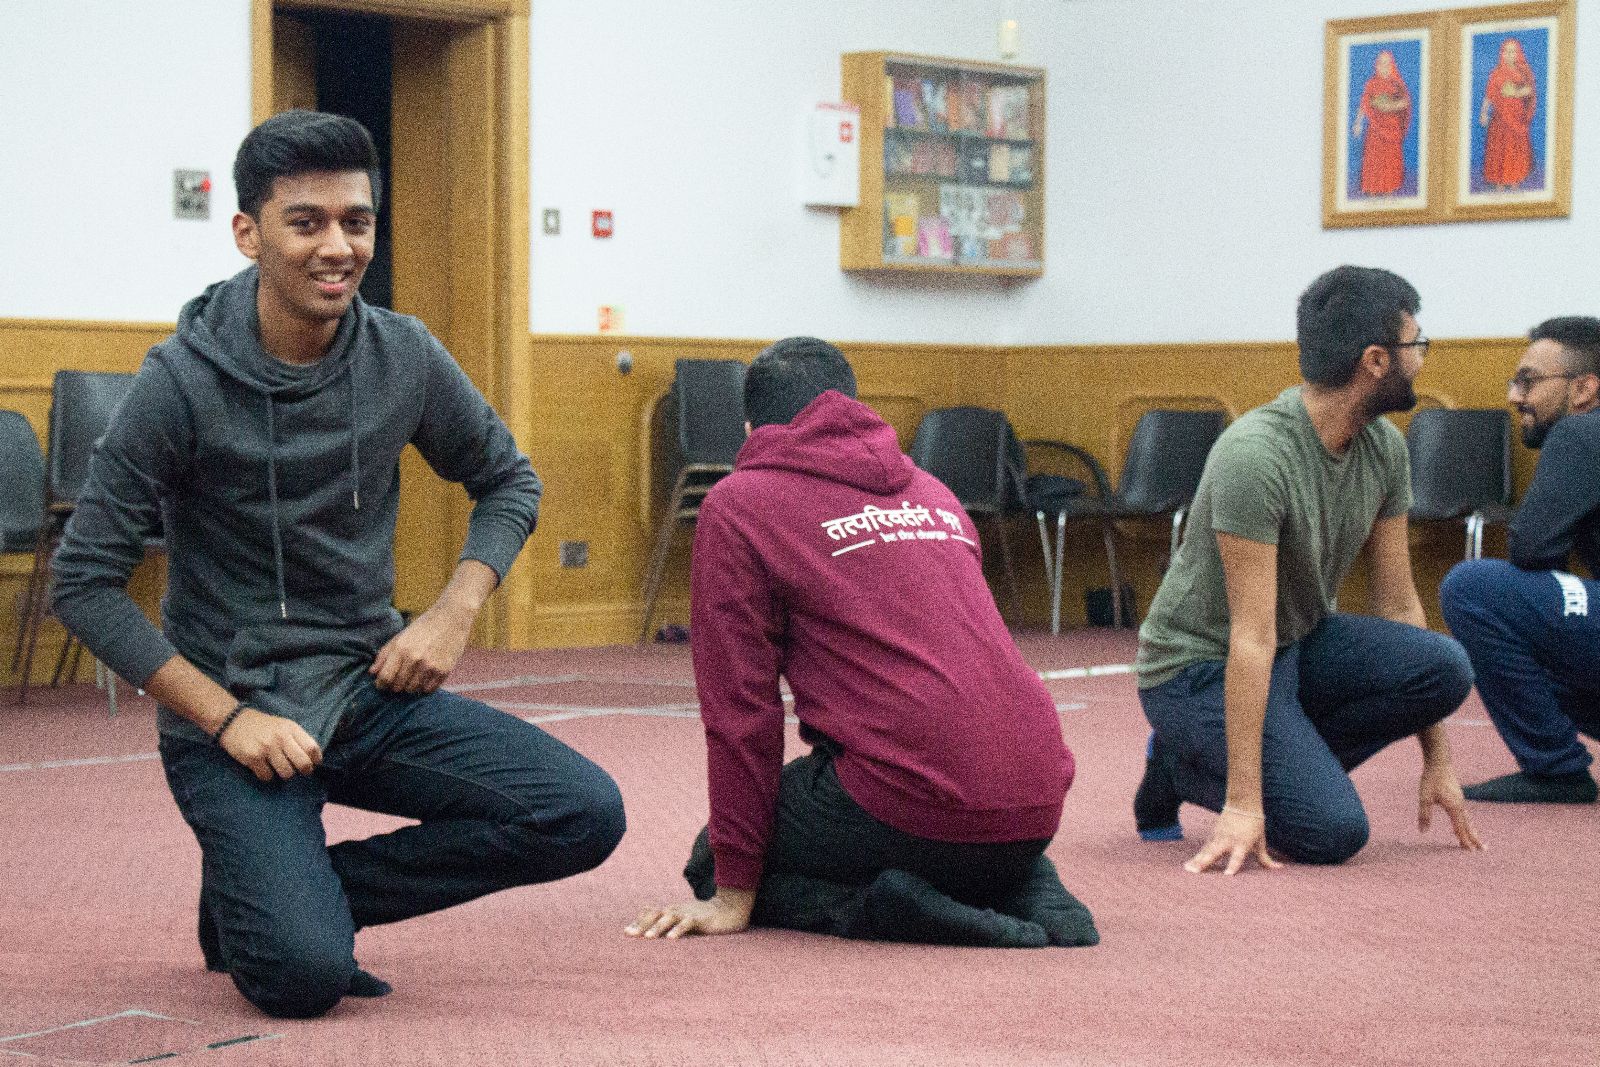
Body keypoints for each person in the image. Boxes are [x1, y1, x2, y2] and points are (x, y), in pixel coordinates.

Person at [50, 110, 625, 1018]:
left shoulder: (404, 355)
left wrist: (451, 611)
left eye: (356, 221)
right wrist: (227, 717)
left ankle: (268, 900)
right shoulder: (179, 382)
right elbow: (81, 582)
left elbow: (507, 480)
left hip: (364, 690)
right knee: (304, 980)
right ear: (249, 232)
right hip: (232, 716)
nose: (337, 246)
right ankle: (271, 911)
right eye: (306, 221)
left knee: (583, 812)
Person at [625, 337, 1097, 948]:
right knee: (942, 815)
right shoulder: (933, 491)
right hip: (1035, 806)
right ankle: (1024, 886)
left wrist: (733, 890)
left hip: (909, 803)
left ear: (751, 427)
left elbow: (742, 710)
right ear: (853, 406)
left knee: (710, 859)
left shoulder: (739, 505)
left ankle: (902, 908)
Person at [1133, 266, 1485, 875]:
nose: (1423, 359)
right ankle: (1182, 762)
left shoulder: (1385, 448)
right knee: (1332, 833)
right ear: (1377, 360)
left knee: (1444, 667)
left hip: (1294, 645)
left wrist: (1440, 760)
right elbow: (1250, 634)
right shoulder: (1254, 455)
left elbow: (1400, 606)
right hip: (1198, 665)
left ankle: (1269, 762)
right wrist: (1243, 805)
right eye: (1416, 345)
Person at [1439, 317, 1600, 804]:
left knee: (1475, 588)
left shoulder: (1582, 433)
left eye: (1528, 381)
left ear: (1583, 389)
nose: (1514, 396)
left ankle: (1554, 770)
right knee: (1536, 629)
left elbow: (1531, 547)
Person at [1480, 37, 1537, 190]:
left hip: (1517, 118)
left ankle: (1514, 179)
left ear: (1518, 54)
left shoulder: (1523, 73)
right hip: (1499, 118)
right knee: (1499, 148)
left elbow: (1530, 91)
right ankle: (1499, 181)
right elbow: (1489, 95)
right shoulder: (1495, 74)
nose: (1509, 55)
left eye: (1513, 52)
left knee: (1515, 149)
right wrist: (1484, 113)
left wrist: (1514, 92)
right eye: (1506, 51)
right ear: (1502, 54)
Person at [1352, 50, 1412, 197]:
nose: (1384, 67)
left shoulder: (1397, 84)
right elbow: (1363, 104)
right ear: (1376, 66)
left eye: (1387, 64)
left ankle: (1389, 186)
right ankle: (1373, 187)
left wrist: (1391, 106)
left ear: (1392, 66)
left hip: (1392, 128)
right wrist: (1358, 123)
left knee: (1390, 159)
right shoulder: (1371, 84)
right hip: (1375, 130)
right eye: (1381, 63)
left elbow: (1405, 103)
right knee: (1374, 159)